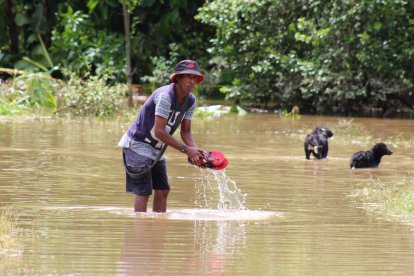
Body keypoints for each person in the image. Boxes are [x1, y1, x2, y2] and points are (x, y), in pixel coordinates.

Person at [118, 60, 206, 212]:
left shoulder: (190, 100)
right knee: (144, 192)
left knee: (163, 191)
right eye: (188, 77)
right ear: (178, 78)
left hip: (156, 148)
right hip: (137, 143)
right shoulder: (165, 95)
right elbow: (159, 131)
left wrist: (196, 152)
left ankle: (157, 230)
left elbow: (185, 132)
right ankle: (141, 232)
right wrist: (186, 150)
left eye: (194, 78)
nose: (192, 81)